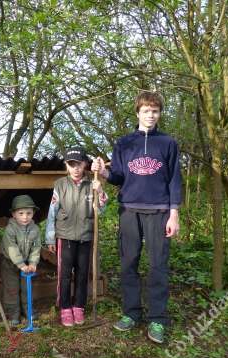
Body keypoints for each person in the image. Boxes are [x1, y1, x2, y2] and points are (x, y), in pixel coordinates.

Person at [91, 91, 181, 344]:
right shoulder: (123, 143)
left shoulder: (168, 143)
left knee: (157, 267)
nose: (150, 115)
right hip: (129, 211)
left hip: (159, 212)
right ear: (138, 112)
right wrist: (103, 173)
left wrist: (173, 214)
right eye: (146, 111)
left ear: (159, 114)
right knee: (128, 264)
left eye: (155, 111)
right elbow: (118, 177)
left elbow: (175, 180)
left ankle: (157, 319)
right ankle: (131, 313)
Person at [45, 147, 107, 327]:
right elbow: (52, 212)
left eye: (78, 164)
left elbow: (100, 210)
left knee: (82, 274)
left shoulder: (92, 183)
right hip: (64, 237)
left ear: (84, 164)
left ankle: (78, 306)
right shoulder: (60, 185)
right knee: (64, 274)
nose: (75, 168)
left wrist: (101, 192)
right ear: (66, 165)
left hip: (85, 236)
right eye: (71, 164)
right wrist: (50, 238)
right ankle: (65, 307)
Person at [0, 195, 42, 325]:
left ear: (33, 213)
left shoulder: (34, 229)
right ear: (14, 214)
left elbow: (36, 247)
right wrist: (20, 264)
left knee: (26, 287)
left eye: (29, 213)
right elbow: (11, 248)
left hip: (27, 265)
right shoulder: (10, 229)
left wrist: (33, 262)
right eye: (21, 213)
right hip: (11, 263)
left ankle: (27, 310)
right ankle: (13, 312)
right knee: (12, 288)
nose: (25, 217)